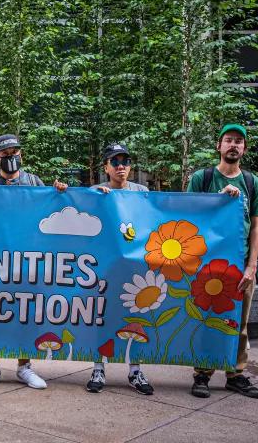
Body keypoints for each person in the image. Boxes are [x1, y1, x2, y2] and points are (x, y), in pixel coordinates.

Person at [0, 134, 67, 391]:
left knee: (25, 311)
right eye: (6, 153)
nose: (12, 157)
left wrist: (58, 193)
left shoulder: (34, 181)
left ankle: (24, 367)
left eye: (15, 152)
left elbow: (49, 211)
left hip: (26, 256)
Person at [187, 124, 258, 399]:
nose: (233, 145)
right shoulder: (202, 178)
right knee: (207, 320)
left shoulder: (252, 183)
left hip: (240, 266)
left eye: (239, 141)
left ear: (244, 149)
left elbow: (255, 227)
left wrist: (252, 266)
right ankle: (202, 374)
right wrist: (218, 200)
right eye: (228, 140)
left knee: (239, 324)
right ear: (218, 146)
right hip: (207, 265)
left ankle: (236, 374)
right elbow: (189, 216)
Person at [86, 143, 154, 395]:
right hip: (103, 270)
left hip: (134, 271)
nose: (121, 166)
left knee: (135, 320)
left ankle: (136, 371)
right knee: (101, 317)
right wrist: (95, 201)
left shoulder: (142, 192)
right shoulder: (95, 192)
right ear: (106, 167)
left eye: (125, 161)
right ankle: (98, 368)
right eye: (115, 162)